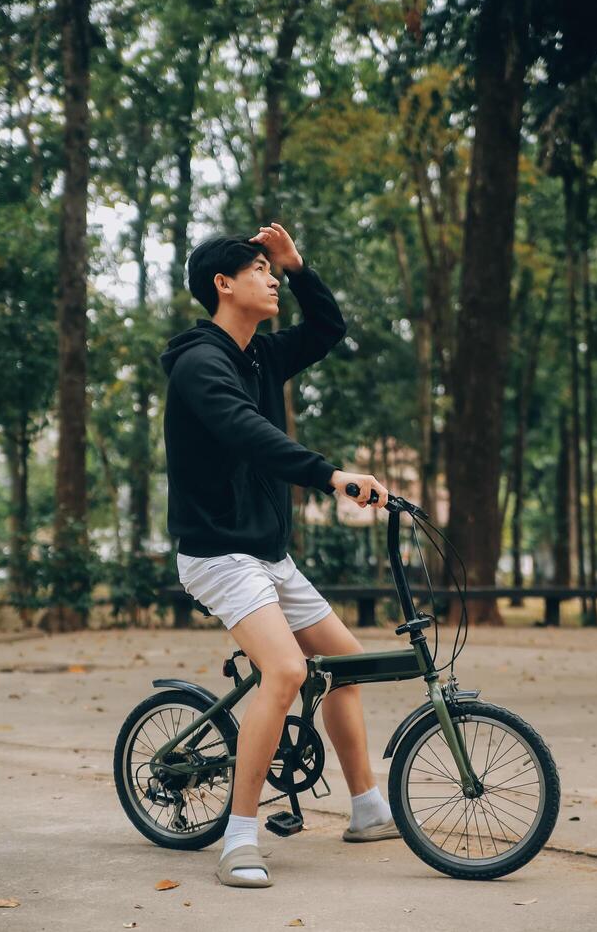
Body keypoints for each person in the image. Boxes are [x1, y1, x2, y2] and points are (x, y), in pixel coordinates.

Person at [159, 222, 397, 889]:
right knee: (287, 671)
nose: (271, 279)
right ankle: (238, 838)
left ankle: (368, 807)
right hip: (216, 553)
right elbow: (247, 431)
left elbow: (328, 328)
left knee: (347, 664)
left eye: (273, 270)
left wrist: (299, 265)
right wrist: (331, 475)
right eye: (260, 268)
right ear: (222, 284)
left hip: (266, 553)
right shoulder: (201, 363)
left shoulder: (260, 355)